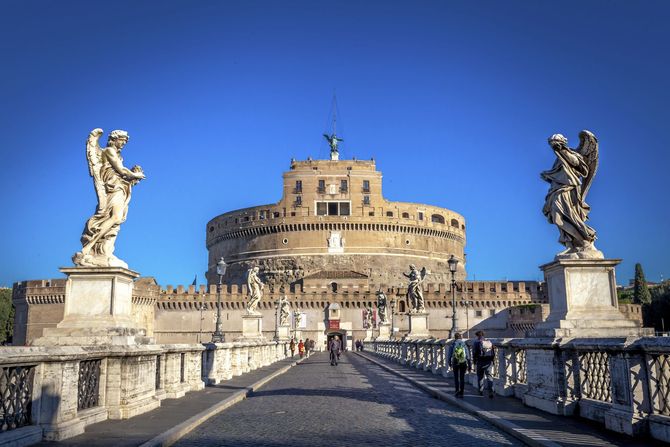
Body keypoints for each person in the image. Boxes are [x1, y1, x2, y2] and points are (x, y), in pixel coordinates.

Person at [447, 332, 471, 397]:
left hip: (455, 362)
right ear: (460, 337)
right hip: (463, 362)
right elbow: (468, 356)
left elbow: (449, 355)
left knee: (456, 377)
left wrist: (449, 363)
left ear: (455, 337)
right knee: (462, 378)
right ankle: (462, 392)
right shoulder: (464, 344)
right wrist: (469, 364)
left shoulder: (452, 344)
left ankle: (457, 391)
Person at [472, 330, 496, 398]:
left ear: (477, 336)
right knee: (489, 376)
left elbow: (474, 353)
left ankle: (481, 391)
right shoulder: (488, 342)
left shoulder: (476, 343)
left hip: (480, 361)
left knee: (480, 377)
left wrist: (474, 362)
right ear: (483, 335)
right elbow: (493, 352)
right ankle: (490, 392)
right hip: (488, 361)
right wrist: (492, 361)